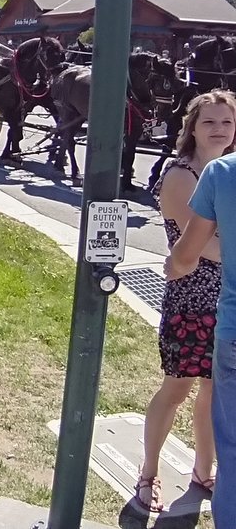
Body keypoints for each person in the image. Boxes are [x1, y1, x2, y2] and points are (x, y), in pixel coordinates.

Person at [139, 91, 236, 512]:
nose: (219, 130)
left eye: (227, 122)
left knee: (214, 394)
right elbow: (201, 248)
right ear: (191, 128)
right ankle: (148, 473)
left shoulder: (225, 174)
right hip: (191, 297)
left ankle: (203, 470)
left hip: (225, 300)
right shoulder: (182, 175)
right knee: (176, 390)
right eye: (209, 122)